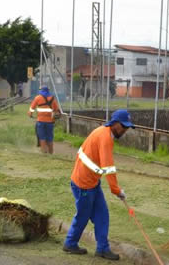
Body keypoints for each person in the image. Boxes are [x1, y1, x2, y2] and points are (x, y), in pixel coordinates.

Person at [63, 109, 134, 261]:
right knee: (83, 215)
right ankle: (70, 243)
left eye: (127, 127)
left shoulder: (105, 132)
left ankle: (102, 248)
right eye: (124, 126)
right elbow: (108, 167)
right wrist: (116, 190)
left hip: (92, 182)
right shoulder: (105, 138)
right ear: (115, 123)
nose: (125, 130)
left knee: (102, 215)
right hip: (83, 184)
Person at [28, 86, 60, 154]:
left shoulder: (38, 98)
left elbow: (31, 108)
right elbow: (56, 110)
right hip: (50, 122)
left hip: (40, 121)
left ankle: (44, 152)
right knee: (50, 137)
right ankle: (51, 152)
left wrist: (30, 114)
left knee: (42, 137)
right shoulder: (52, 98)